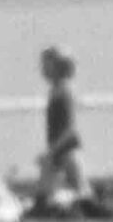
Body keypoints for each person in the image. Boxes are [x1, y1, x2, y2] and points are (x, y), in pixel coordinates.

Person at [35, 50, 87, 207]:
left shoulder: (66, 91)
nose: (42, 69)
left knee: (84, 196)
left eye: (46, 65)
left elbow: (70, 129)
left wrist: (51, 152)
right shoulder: (54, 91)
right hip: (56, 149)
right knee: (43, 199)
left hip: (67, 150)